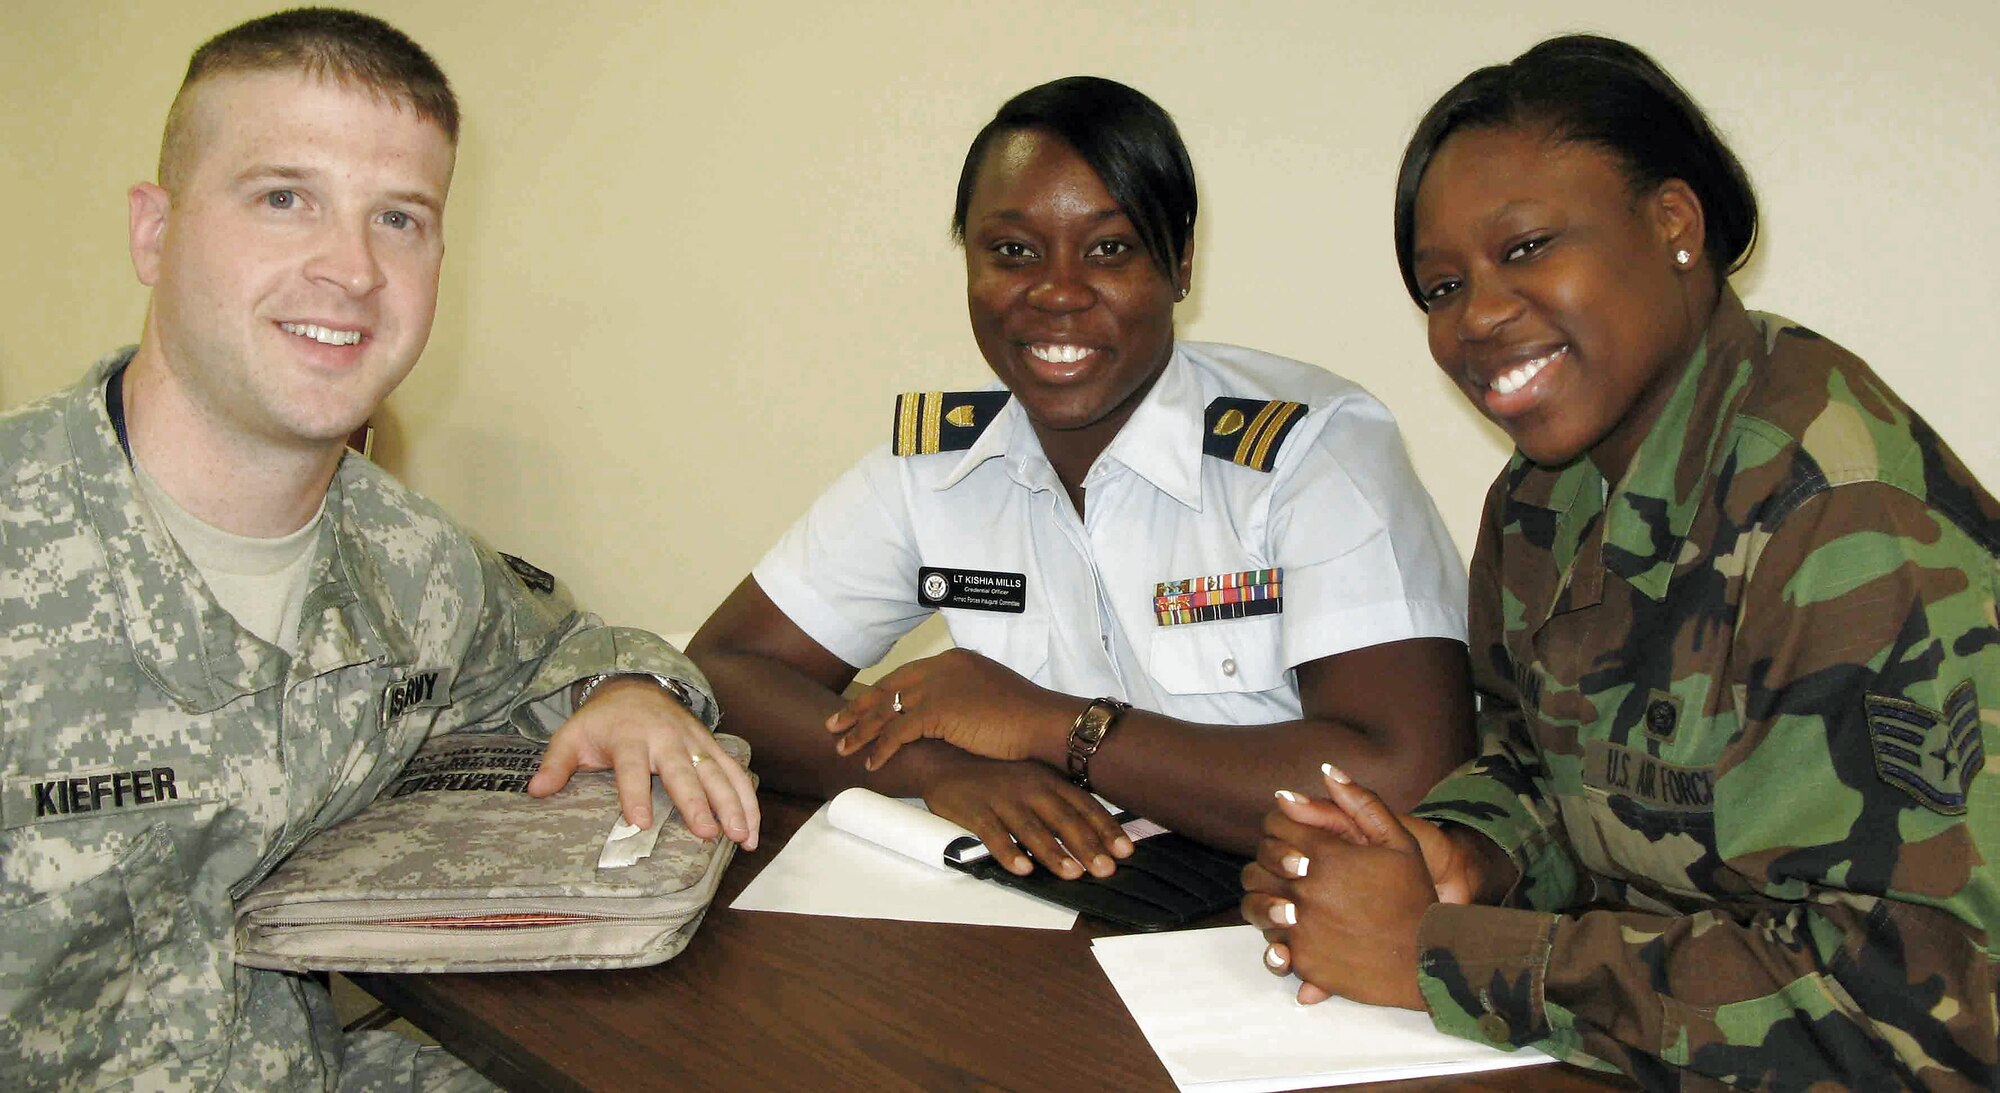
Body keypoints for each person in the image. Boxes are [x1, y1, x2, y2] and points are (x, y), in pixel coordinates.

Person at [0, 10, 757, 1091]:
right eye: (283, 197)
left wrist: (632, 689)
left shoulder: (406, 556)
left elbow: (567, 644)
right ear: (154, 232)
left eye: (398, 217)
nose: (351, 268)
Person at [1243, 34, 1998, 1089]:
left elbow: (1925, 1007)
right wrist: (1456, 853)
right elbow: (1545, 768)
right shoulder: (1543, 494)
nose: (1477, 317)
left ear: (1673, 225)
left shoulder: (1839, 516)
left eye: (1525, 248)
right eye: (1438, 286)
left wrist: (1446, 961)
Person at [688, 76, 1470, 876]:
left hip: (1278, 925)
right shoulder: (935, 469)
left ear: (1181, 262)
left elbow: (1407, 776)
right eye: (1013, 252)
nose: (1057, 292)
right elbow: (724, 672)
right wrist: (938, 769)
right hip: (1043, 909)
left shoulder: (1308, 451)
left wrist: (1050, 725)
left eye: (1110, 249)